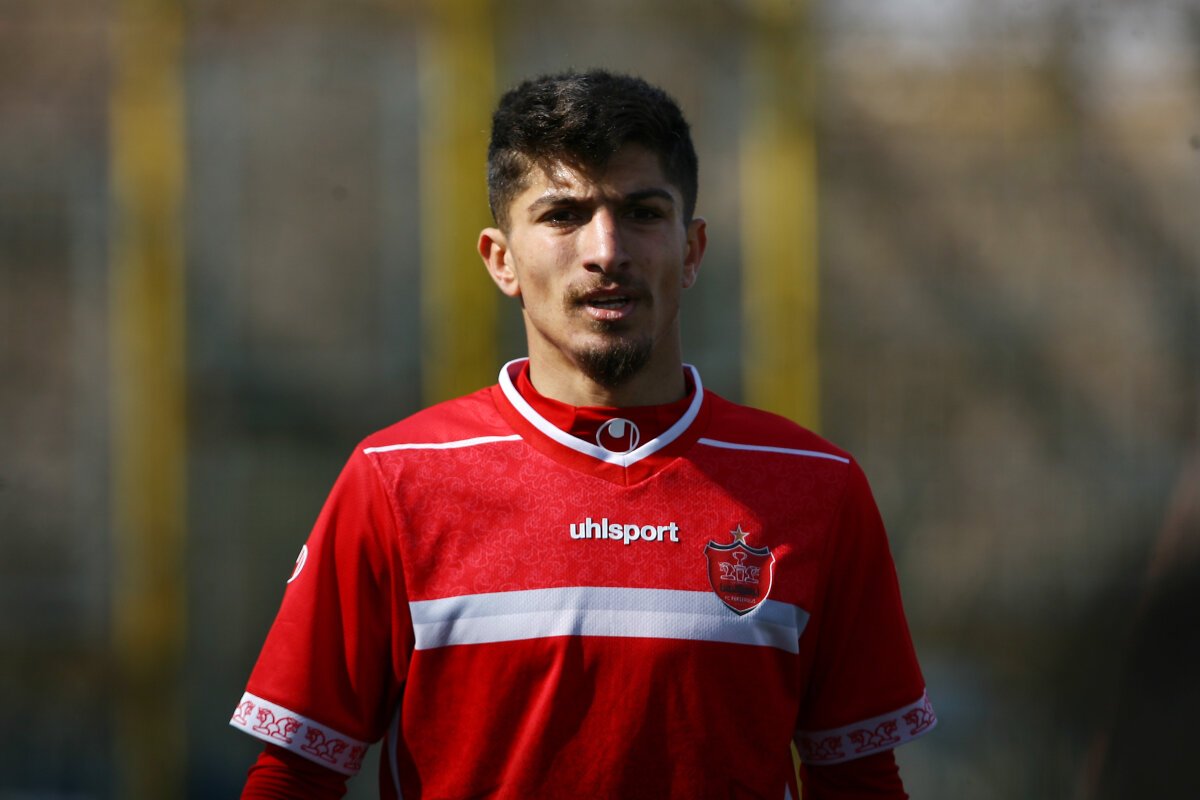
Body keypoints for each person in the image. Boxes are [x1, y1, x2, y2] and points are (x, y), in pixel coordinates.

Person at [232, 68, 935, 799]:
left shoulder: (815, 487)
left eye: (642, 213)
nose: (606, 249)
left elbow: (859, 780)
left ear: (692, 251)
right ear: (501, 259)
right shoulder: (397, 479)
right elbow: (295, 774)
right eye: (563, 215)